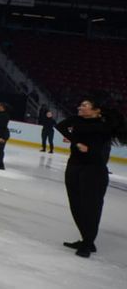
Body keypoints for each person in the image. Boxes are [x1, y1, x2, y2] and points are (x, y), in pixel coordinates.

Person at [55, 98, 127, 257]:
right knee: (76, 205)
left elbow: (99, 150)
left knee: (91, 208)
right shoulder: (76, 119)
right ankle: (87, 239)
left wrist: (88, 149)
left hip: (93, 171)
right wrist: (76, 142)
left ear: (96, 110)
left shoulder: (104, 126)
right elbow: (59, 126)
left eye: (84, 106)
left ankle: (87, 244)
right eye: (80, 104)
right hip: (74, 166)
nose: (79, 107)